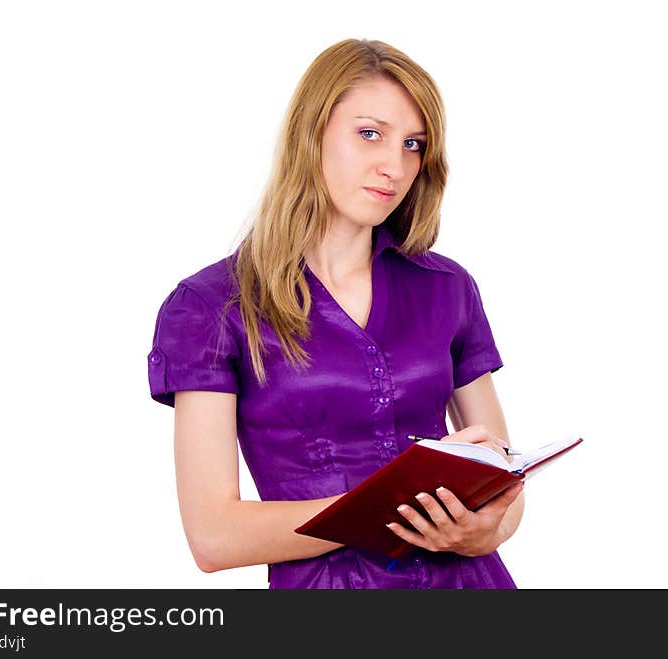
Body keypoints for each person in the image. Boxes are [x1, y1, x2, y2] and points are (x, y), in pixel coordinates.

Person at [147, 38, 524, 589]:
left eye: (414, 145)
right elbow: (214, 536)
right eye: (369, 133)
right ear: (312, 133)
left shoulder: (447, 288)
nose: (394, 166)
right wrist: (397, 502)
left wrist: (483, 531)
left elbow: (504, 481)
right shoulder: (211, 307)